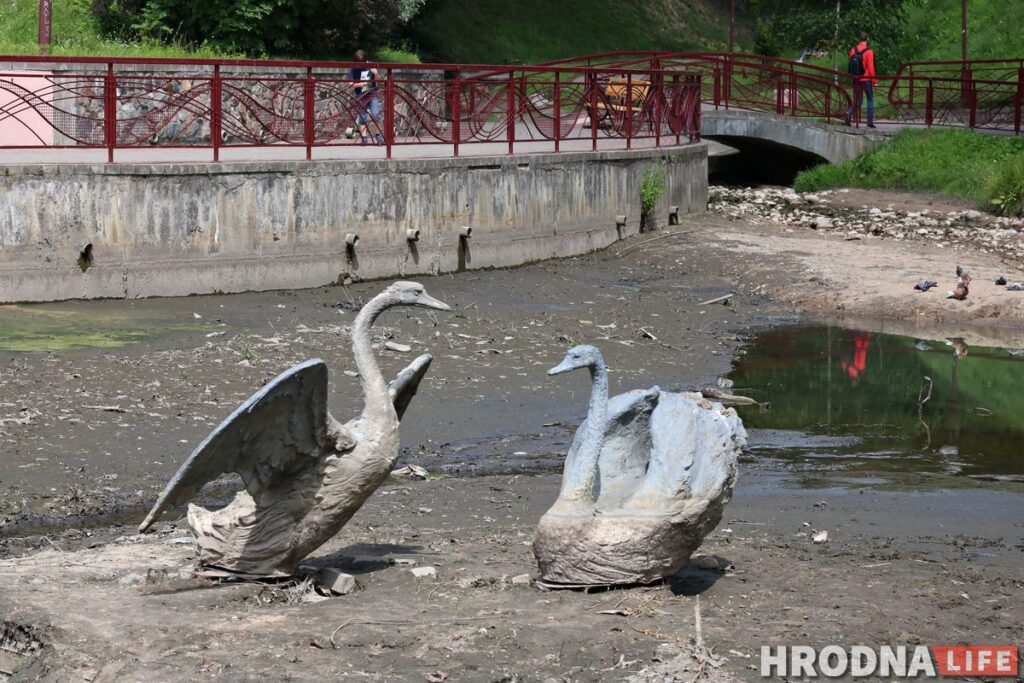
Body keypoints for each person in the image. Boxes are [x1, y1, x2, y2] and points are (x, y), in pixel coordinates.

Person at [350, 49, 385, 145]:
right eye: (359, 63)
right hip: (360, 95)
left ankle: (379, 136)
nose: (361, 65)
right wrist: (360, 84)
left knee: (375, 114)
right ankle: (364, 138)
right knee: (362, 117)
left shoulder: (371, 65)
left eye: (363, 63)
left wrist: (376, 73)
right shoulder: (354, 68)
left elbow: (379, 80)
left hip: (372, 94)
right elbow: (350, 83)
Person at [845, 31, 876, 129]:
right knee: (870, 99)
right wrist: (874, 82)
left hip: (856, 79)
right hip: (866, 79)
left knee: (858, 100)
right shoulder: (869, 51)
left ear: (859, 39)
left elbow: (851, 64)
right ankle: (869, 122)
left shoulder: (853, 50)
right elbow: (871, 68)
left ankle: (848, 113)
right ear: (867, 39)